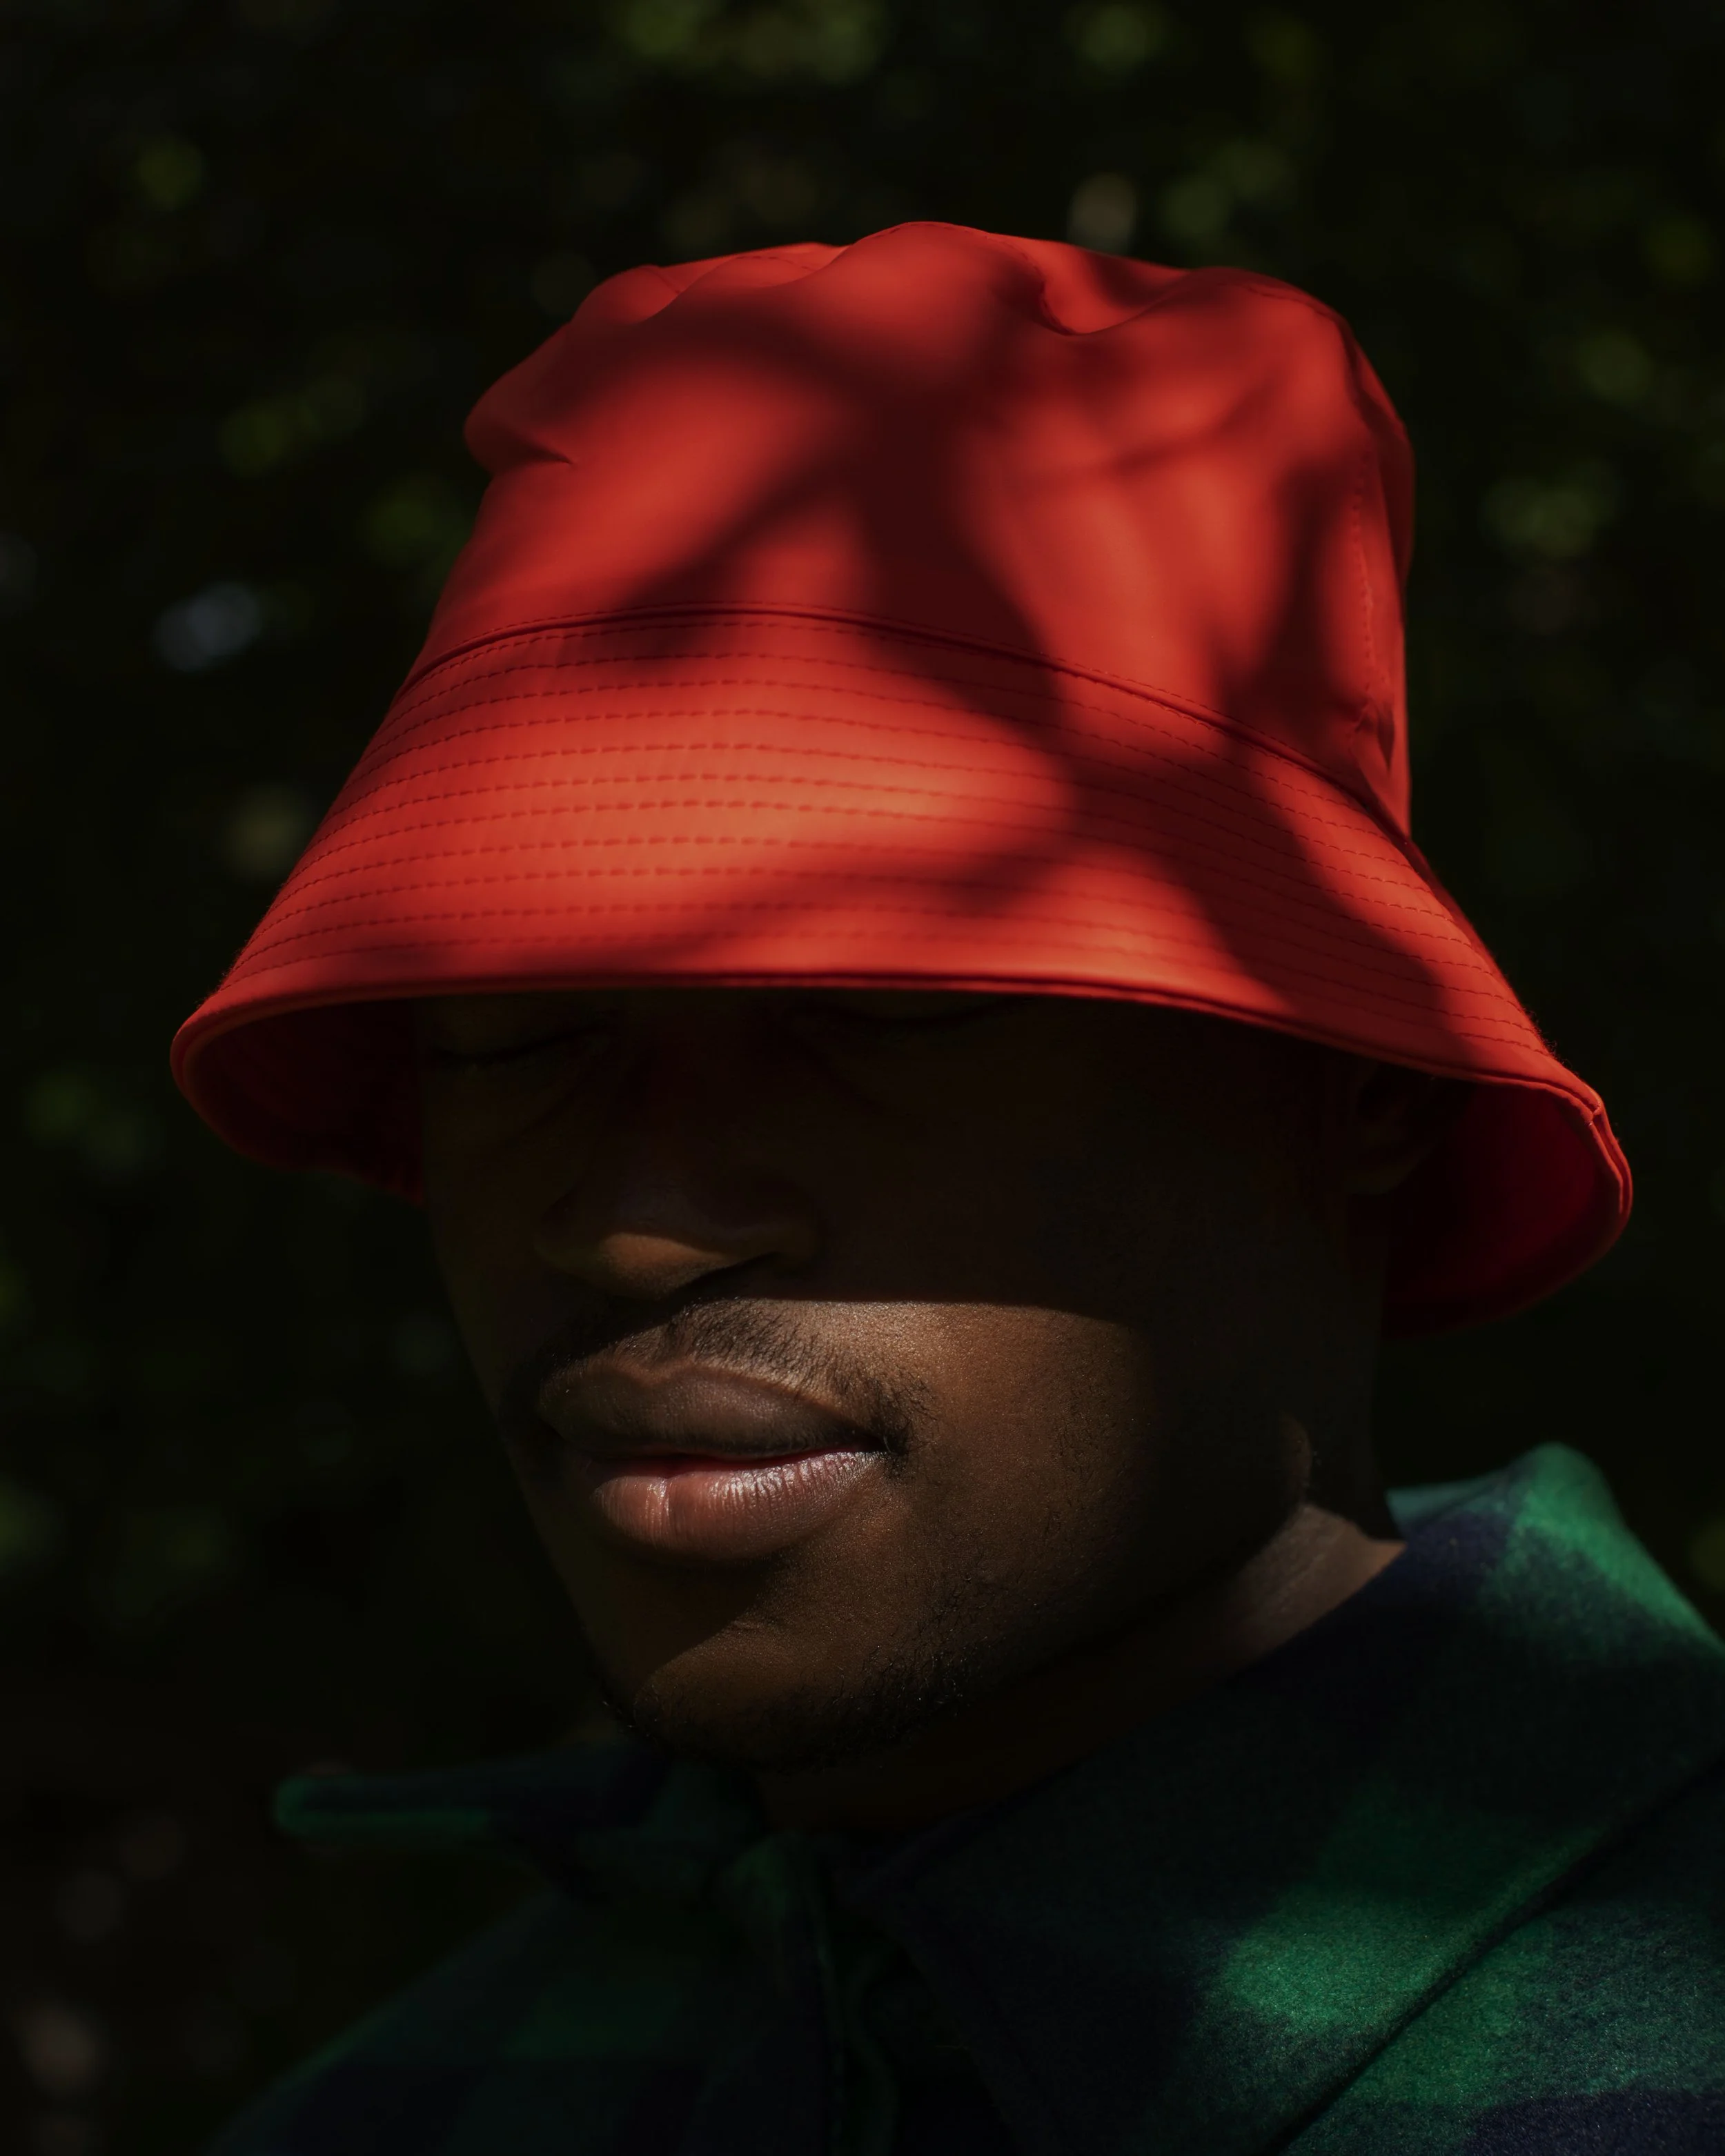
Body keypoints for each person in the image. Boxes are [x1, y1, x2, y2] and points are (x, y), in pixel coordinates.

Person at [175, 225, 1725, 2155]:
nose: (635, 1211)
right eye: (510, 1025)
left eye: (884, 1006)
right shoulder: (402, 2111)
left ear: (1352, 1092)